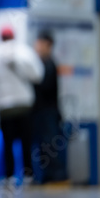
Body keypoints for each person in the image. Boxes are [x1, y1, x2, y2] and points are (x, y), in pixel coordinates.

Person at [0, 26, 44, 184]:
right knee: (26, 143)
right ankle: (28, 176)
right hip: (24, 104)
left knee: (7, 143)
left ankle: (9, 176)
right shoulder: (25, 52)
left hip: (4, 106)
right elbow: (38, 75)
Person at [32, 31, 68, 184]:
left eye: (40, 43)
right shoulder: (41, 64)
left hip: (48, 112)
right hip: (42, 112)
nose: (37, 46)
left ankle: (57, 176)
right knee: (44, 146)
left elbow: (46, 87)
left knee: (50, 146)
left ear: (48, 45)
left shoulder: (49, 64)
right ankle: (47, 176)